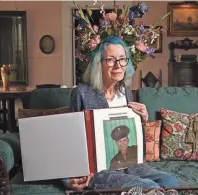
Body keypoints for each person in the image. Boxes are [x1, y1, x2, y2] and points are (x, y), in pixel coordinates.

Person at [65, 36, 179, 191]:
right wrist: (67, 179)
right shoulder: (82, 93)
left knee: (170, 181)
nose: (118, 65)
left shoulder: (125, 92)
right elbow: (69, 139)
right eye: (111, 60)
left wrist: (143, 121)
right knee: (148, 187)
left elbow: (136, 143)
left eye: (122, 59)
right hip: (101, 170)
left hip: (129, 163)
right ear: (99, 64)